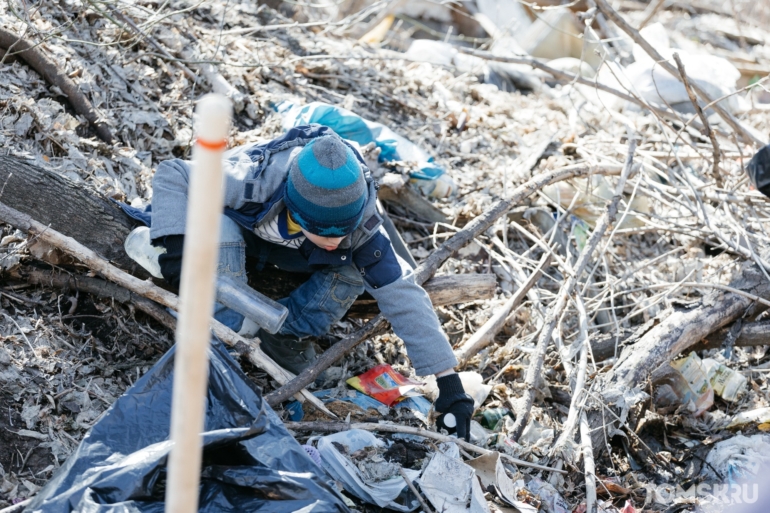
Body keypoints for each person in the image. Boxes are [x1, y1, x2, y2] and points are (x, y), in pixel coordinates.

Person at [141, 124, 474, 440]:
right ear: (297, 210)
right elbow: (175, 173)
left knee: (357, 267)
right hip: (237, 233)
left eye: (345, 229)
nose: (336, 239)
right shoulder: (252, 181)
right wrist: (176, 246)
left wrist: (449, 383)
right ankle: (220, 342)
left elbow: (402, 293)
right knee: (219, 227)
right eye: (326, 231)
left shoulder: (361, 225)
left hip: (297, 255)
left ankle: (284, 337)